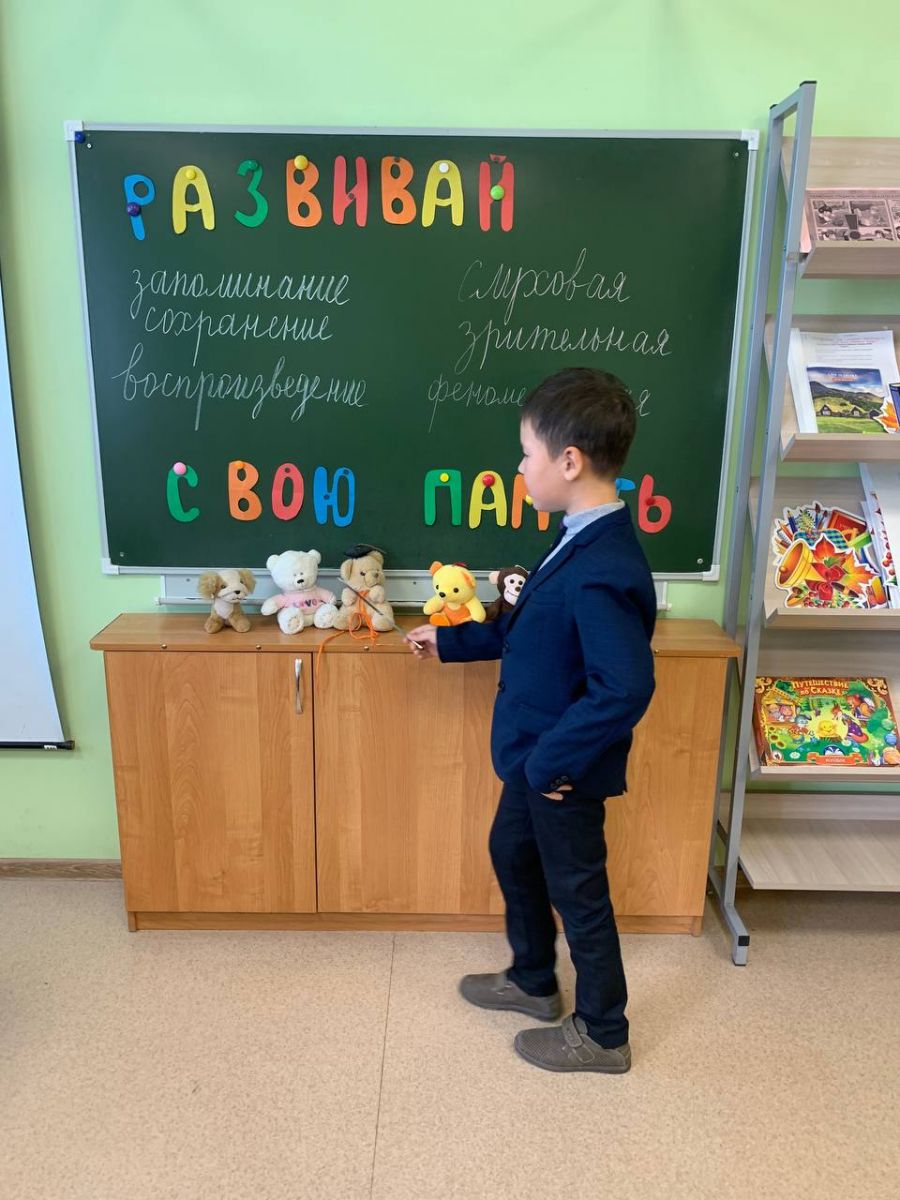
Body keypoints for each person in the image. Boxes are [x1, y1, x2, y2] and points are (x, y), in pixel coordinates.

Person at [406, 366, 657, 1074]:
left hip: (558, 769)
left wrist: (551, 764)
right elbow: (530, 630)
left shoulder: (603, 564)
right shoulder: (575, 535)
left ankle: (603, 1033)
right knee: (512, 852)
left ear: (569, 461)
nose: (519, 469)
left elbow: (625, 686)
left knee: (580, 896)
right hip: (533, 757)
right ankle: (533, 979)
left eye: (526, 455)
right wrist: (451, 642)